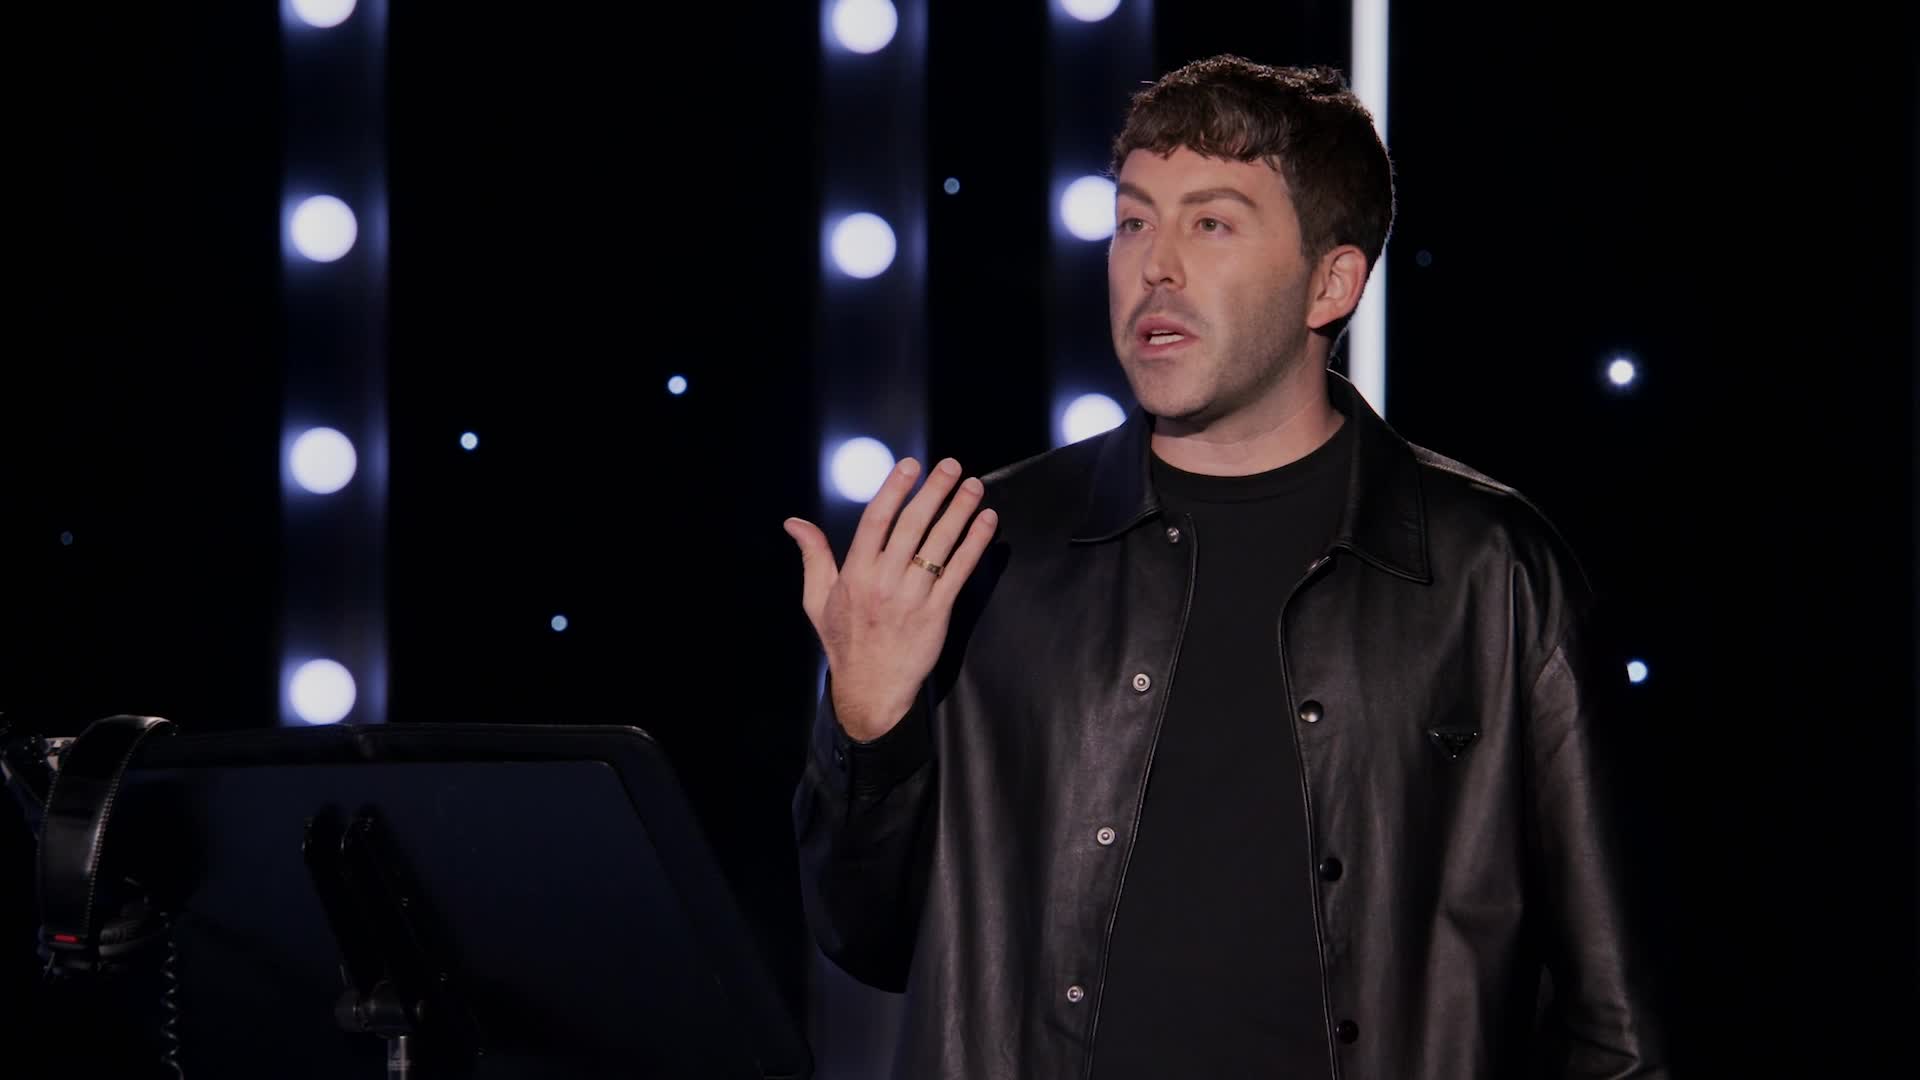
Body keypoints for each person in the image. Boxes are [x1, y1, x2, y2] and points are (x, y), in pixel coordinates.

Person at [783, 55, 1667, 1080]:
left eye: (1210, 223)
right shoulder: (988, 545)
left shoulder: (1489, 568)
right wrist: (869, 725)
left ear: (1332, 283)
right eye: (1132, 222)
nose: (1155, 266)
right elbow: (863, 938)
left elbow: (1612, 1020)